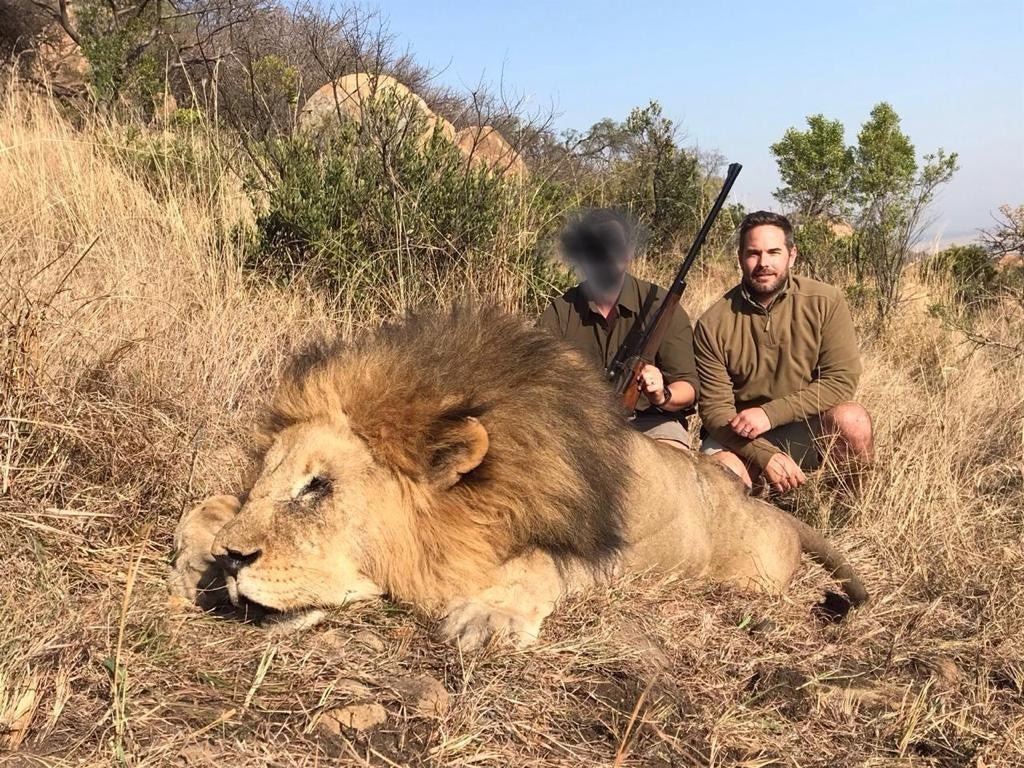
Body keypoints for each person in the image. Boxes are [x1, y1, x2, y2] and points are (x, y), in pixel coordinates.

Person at [694, 210, 873, 492]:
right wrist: (764, 455)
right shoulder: (712, 323)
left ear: (792, 255)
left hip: (805, 425)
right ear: (740, 257)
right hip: (743, 436)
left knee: (853, 420)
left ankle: (847, 507)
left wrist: (769, 414)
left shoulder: (826, 301)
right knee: (722, 473)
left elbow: (841, 381)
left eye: (773, 252)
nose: (763, 263)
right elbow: (716, 412)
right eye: (753, 253)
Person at [539, 209, 699, 449]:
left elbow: (688, 387)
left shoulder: (661, 305)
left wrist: (662, 395)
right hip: (578, 424)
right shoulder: (561, 311)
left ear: (629, 252)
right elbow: (536, 382)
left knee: (670, 462)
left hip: (651, 423)